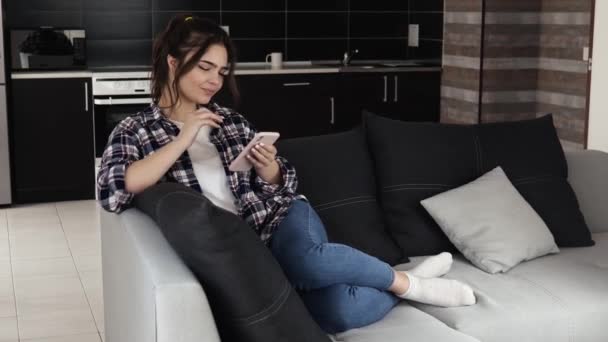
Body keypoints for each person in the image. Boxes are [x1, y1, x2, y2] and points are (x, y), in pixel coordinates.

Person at [97, 14, 476, 334]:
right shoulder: (136, 130)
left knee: (308, 261)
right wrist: (183, 138)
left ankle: (410, 282)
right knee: (336, 313)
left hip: (281, 216)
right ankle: (401, 281)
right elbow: (115, 189)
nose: (215, 80)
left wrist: (270, 166)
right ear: (174, 64)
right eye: (205, 67)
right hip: (247, 249)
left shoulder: (230, 121)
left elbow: (285, 184)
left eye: (223, 70)